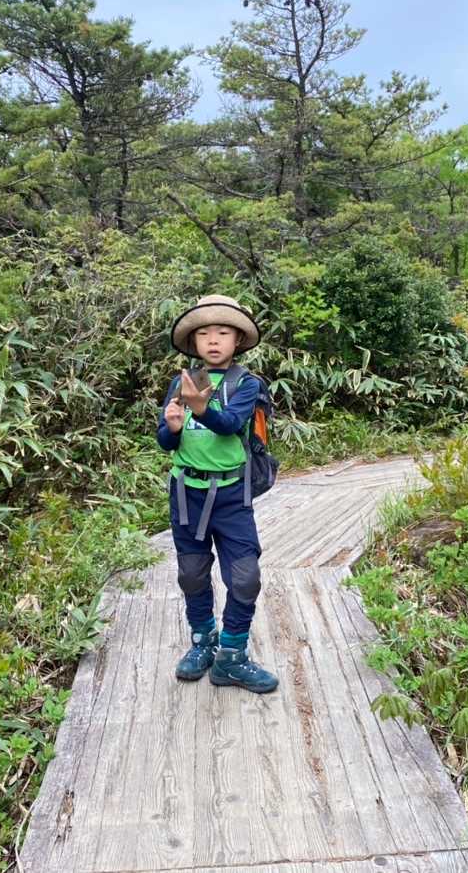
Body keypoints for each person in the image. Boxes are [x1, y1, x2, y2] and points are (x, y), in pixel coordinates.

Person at [156, 294, 279, 693]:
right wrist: (173, 427)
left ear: (238, 340)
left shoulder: (247, 383)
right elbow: (165, 441)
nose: (213, 340)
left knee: (245, 577)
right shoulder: (180, 382)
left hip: (231, 495)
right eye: (204, 333)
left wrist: (200, 407)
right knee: (192, 573)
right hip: (186, 494)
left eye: (223, 332)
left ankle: (232, 656)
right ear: (193, 342)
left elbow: (229, 424)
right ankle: (203, 642)